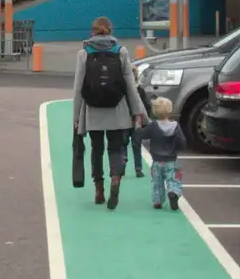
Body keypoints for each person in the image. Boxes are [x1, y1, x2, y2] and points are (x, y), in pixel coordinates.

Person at [72, 16, 146, 211]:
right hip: (118, 109)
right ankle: (116, 178)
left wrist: (76, 117)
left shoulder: (83, 53)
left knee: (97, 149)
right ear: (110, 30)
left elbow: (78, 86)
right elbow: (130, 85)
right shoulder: (121, 51)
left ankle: (99, 190)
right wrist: (136, 111)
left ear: (93, 31)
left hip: (93, 109)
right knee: (116, 148)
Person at [139, 96, 187, 210]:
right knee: (174, 179)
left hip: (156, 160)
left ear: (155, 112)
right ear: (170, 111)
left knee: (157, 182)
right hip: (171, 160)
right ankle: (173, 192)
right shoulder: (175, 126)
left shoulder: (153, 126)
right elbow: (182, 142)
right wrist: (177, 149)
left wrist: (138, 126)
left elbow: (142, 134)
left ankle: (157, 200)